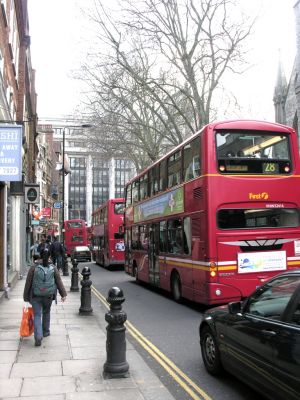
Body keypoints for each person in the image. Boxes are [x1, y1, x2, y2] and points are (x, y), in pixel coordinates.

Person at [23, 248, 67, 347]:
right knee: (46, 312)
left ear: (40, 255)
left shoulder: (34, 267)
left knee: (37, 315)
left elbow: (28, 283)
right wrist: (63, 294)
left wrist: (25, 296)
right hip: (48, 296)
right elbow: (58, 281)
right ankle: (46, 332)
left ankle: (38, 336)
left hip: (36, 295)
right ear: (50, 256)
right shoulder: (53, 267)